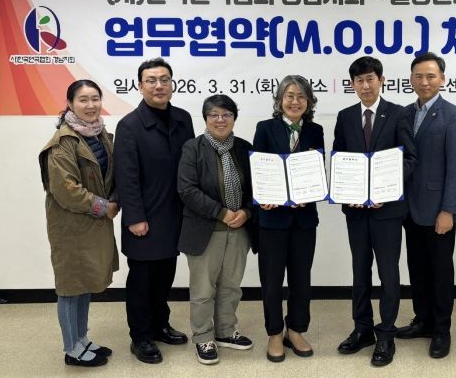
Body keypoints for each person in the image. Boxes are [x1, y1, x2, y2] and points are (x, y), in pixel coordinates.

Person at [333, 56, 417, 367]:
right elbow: (339, 159)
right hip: (356, 211)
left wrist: (384, 189)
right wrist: (347, 191)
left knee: (388, 273)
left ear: (381, 80)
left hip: (388, 210)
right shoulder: (345, 116)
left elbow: (410, 159)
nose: (365, 85)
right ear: (352, 84)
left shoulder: (399, 113)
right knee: (359, 271)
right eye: (359, 80)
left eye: (370, 79)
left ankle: (386, 334)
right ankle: (363, 329)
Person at [114, 57, 195, 364]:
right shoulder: (129, 125)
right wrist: (135, 217)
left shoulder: (183, 118)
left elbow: (190, 166)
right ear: (140, 86)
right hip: (145, 218)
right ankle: (141, 337)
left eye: (164, 79)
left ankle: (161, 324)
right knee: (142, 281)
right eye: (151, 80)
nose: (159, 86)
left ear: (172, 84)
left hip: (174, 215)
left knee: (165, 276)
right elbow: (126, 176)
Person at [39, 79, 119, 367]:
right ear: (70, 104)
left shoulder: (100, 134)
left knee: (84, 284)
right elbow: (66, 190)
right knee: (71, 287)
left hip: (91, 226)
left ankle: (82, 339)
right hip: (71, 228)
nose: (90, 105)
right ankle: (72, 349)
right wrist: (105, 207)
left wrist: (116, 199)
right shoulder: (63, 141)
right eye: (83, 99)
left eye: (95, 98)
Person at [396, 52, 456, 359]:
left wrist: (448, 210)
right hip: (408, 208)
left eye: (430, 76)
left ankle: (441, 329)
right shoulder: (404, 114)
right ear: (411, 79)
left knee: (440, 272)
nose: (424, 82)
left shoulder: (453, 115)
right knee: (417, 269)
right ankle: (422, 320)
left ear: (442, 79)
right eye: (419, 76)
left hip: (438, 209)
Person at [177, 95, 255, 365]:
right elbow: (186, 189)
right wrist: (221, 213)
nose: (220, 120)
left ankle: (225, 331)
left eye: (226, 115)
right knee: (203, 289)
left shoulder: (244, 148)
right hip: (205, 230)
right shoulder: (192, 148)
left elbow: (257, 188)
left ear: (234, 118)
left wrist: (246, 212)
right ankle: (203, 336)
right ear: (206, 118)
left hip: (239, 229)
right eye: (214, 115)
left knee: (231, 286)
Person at [252, 75, 324, 363]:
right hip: (272, 219)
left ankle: (295, 330)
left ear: (309, 102)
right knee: (271, 281)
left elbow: (317, 169)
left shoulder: (316, 130)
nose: (295, 102)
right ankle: (274, 332)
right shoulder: (265, 128)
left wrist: (312, 190)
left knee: (301, 279)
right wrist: (263, 196)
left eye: (301, 97)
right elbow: (258, 169)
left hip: (304, 220)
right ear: (280, 99)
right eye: (290, 96)